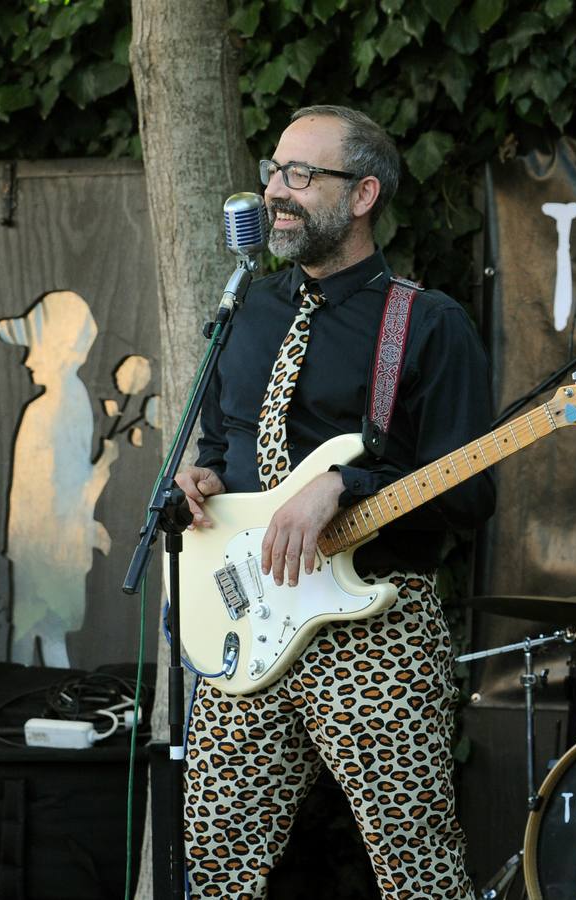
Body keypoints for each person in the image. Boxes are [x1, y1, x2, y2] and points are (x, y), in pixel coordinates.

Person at [174, 105, 495, 899]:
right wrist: (202, 478)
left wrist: (347, 486)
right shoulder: (246, 309)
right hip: (246, 613)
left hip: (374, 626)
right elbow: (221, 445)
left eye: (301, 176)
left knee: (413, 860)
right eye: (274, 172)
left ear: (362, 196)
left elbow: (471, 492)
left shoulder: (426, 322)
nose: (276, 192)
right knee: (215, 855)